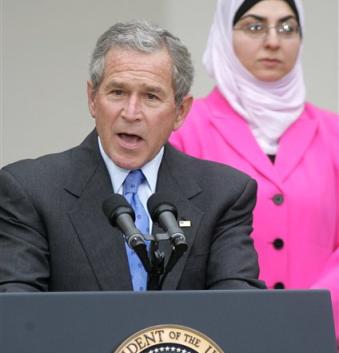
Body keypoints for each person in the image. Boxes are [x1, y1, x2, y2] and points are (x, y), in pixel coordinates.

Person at [0, 20, 265, 292]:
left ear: (180, 112)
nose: (131, 112)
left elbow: (238, 310)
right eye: (117, 92)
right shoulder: (30, 191)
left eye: (151, 96)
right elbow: (18, 314)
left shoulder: (223, 194)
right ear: (92, 98)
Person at [170, 0, 339, 349]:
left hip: (323, 341)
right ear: (223, 35)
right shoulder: (185, 129)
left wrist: (315, 311)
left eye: (287, 27)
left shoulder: (334, 133)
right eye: (254, 26)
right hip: (217, 341)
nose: (273, 41)